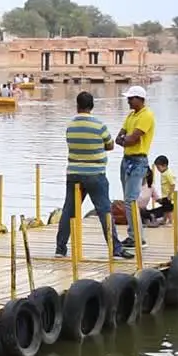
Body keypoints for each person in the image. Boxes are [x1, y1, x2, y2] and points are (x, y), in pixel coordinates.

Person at [56, 91, 132, 259]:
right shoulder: (99, 125)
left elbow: (72, 144)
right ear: (92, 106)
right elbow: (110, 145)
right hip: (95, 174)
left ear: (77, 105)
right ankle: (116, 249)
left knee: (69, 211)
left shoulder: (70, 125)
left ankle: (60, 249)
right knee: (105, 211)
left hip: (73, 173)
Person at [116, 85, 156, 248]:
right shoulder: (131, 115)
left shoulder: (147, 116)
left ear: (140, 99)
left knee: (131, 200)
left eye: (131, 98)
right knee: (127, 199)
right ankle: (133, 235)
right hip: (126, 159)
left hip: (138, 160)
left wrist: (125, 139)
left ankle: (138, 238)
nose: (128, 101)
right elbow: (119, 137)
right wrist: (125, 138)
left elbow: (132, 139)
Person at [151, 154, 176, 223]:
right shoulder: (164, 173)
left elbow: (173, 184)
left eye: (159, 168)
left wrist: (169, 195)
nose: (158, 170)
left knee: (169, 209)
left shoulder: (168, 174)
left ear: (164, 165)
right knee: (165, 208)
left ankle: (171, 221)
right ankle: (164, 219)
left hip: (168, 196)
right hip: (164, 195)